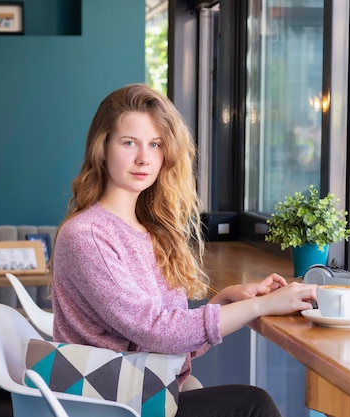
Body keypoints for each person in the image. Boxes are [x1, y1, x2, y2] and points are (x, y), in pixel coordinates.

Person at [51, 83, 317, 417]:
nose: (144, 158)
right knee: (253, 406)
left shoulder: (148, 230)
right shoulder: (87, 235)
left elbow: (167, 341)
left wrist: (223, 301)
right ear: (102, 147)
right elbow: (155, 331)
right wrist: (263, 305)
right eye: (129, 142)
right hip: (113, 404)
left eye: (155, 144)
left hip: (148, 390)